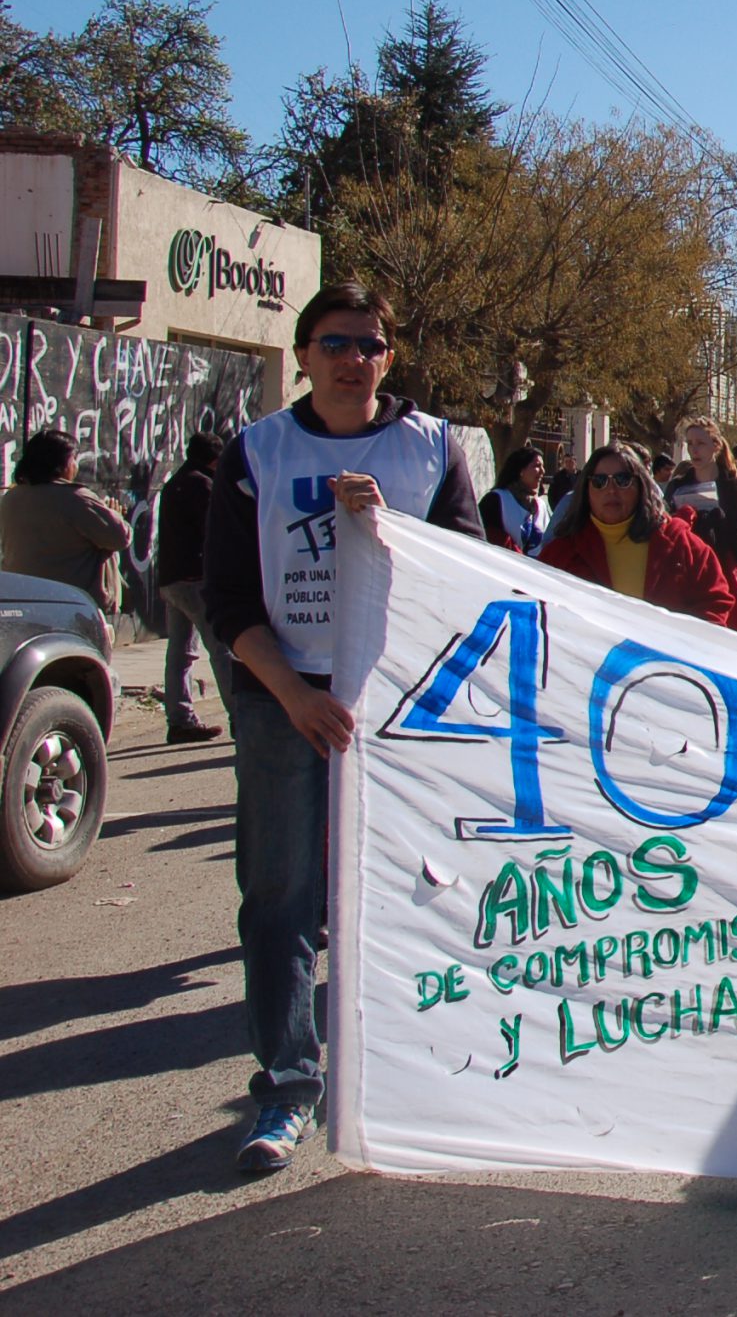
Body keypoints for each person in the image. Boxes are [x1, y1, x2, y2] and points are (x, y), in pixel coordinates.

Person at [199, 282, 485, 1173]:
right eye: (334, 344)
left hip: (395, 704)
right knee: (281, 899)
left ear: (389, 358)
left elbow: (471, 577)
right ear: (304, 355)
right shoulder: (258, 452)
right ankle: (287, 1087)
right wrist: (291, 695)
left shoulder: (432, 448)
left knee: (418, 890)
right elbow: (229, 602)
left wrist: (387, 528)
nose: (352, 359)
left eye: (368, 344)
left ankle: (411, 1074)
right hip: (288, 699)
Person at [539, 442, 737, 622]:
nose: (611, 489)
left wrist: (682, 648)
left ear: (640, 485)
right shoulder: (561, 553)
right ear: (586, 489)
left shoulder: (680, 543)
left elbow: (716, 601)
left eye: (622, 479)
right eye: (599, 481)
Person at [1, 429, 132, 628]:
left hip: (26, 600)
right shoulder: (77, 499)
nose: (76, 466)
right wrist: (115, 515)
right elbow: (119, 537)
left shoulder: (11, 498)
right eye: (74, 459)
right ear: (61, 463)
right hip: (73, 605)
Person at [663, 418, 737, 633]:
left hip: (727, 577)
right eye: (690, 444)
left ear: (716, 445)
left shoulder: (736, 485)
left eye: (700, 443)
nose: (694, 450)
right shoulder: (678, 485)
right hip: (687, 580)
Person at [155, 432, 229, 743]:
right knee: (222, 650)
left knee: (180, 653)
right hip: (196, 580)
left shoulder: (176, 483)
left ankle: (180, 719)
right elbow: (215, 533)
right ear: (215, 459)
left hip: (173, 579)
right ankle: (241, 716)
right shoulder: (203, 485)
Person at [479, 445, 551, 552]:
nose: (543, 471)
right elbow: (487, 538)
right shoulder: (496, 500)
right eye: (537, 466)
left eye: (543, 466)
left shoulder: (541, 506)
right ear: (521, 471)